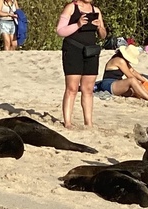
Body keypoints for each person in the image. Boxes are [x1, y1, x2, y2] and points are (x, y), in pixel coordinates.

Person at [56, 0, 107, 128]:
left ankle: (88, 122)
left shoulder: (96, 10)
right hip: (73, 50)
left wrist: (100, 26)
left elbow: (103, 35)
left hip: (90, 51)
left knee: (88, 89)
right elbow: (60, 31)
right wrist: (78, 24)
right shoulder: (71, 8)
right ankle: (67, 122)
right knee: (72, 88)